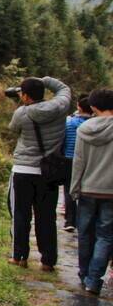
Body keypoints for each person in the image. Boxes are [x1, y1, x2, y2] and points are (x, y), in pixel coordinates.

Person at [7, 76, 73, 271]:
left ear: (24, 95)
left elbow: (13, 129)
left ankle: (19, 257)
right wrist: (42, 80)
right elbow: (64, 88)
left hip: (24, 170)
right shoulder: (60, 107)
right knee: (46, 216)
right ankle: (47, 261)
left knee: (20, 215)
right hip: (48, 171)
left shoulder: (22, 113)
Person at [70, 88, 113, 296]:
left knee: (85, 234)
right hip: (111, 192)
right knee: (105, 236)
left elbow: (78, 162)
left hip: (87, 189)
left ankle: (84, 273)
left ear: (93, 106)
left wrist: (74, 188)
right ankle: (94, 281)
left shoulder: (84, 129)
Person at [62, 94, 93, 232]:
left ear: (78, 108)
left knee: (69, 190)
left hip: (69, 159)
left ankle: (70, 220)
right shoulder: (94, 126)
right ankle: (86, 220)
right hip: (88, 160)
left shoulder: (68, 123)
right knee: (86, 190)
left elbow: (63, 141)